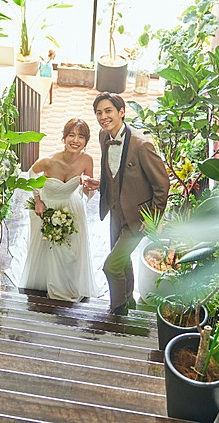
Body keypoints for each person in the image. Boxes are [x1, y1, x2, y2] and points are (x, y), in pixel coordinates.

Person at [83, 92, 169, 315]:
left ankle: (118, 309)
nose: (103, 117)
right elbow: (115, 174)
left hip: (138, 219)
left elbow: (162, 184)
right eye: (99, 113)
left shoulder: (141, 145)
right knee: (122, 259)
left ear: (121, 112)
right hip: (115, 213)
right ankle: (128, 299)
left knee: (111, 266)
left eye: (108, 111)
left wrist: (153, 219)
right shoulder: (103, 136)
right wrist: (101, 183)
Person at [19, 118, 98, 301]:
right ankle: (48, 281)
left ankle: (68, 282)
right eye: (71, 135)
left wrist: (87, 187)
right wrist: (37, 200)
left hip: (71, 205)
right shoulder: (49, 161)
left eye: (81, 137)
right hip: (48, 205)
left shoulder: (87, 160)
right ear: (64, 138)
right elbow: (31, 174)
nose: (75, 140)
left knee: (70, 249)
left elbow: (89, 190)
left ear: (86, 141)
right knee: (48, 247)